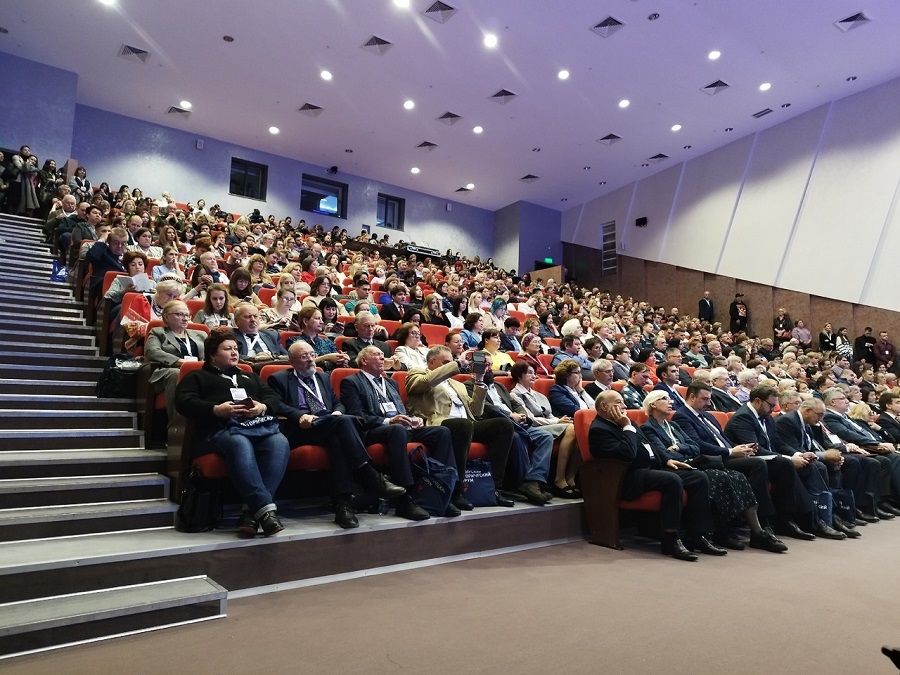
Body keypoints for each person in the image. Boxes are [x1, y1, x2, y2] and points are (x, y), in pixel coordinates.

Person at [267, 341, 407, 528]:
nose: (310, 360)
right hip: (303, 428)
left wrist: (338, 412)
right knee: (344, 424)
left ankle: (343, 505)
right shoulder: (279, 379)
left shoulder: (323, 377)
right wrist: (300, 415)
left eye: (312, 355)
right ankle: (368, 474)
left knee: (338, 439)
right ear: (292, 361)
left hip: (329, 423)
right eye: (303, 356)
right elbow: (277, 405)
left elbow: (336, 402)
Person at [174, 330, 290, 537]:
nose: (234, 352)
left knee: (279, 441)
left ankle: (251, 512)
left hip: (255, 426)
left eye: (236, 348)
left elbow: (272, 397)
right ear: (212, 354)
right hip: (217, 430)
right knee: (239, 442)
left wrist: (262, 407)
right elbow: (183, 402)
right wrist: (216, 409)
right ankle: (265, 509)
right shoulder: (197, 376)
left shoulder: (250, 376)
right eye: (227, 349)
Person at [640, 390, 780, 551]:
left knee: (737, 476)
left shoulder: (673, 425)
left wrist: (679, 447)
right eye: (664, 398)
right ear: (653, 404)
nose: (670, 401)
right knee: (718, 477)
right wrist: (683, 451)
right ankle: (719, 531)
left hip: (694, 462)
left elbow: (694, 446)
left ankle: (758, 530)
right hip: (677, 467)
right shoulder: (648, 428)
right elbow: (664, 453)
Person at [589, 390, 718, 561]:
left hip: (650, 469)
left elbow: (649, 445)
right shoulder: (599, 429)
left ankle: (697, 535)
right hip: (626, 477)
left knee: (698, 477)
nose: (624, 406)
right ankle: (671, 539)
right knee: (672, 480)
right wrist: (627, 426)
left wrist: (667, 460)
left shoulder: (628, 423)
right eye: (618, 402)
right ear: (604, 406)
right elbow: (627, 454)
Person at [339, 345, 461, 520]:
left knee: (441, 432)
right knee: (397, 430)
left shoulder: (391, 383)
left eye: (383, 354)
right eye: (377, 355)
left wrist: (414, 418)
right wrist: (389, 421)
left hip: (400, 427)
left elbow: (401, 410)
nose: (383, 357)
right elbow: (357, 416)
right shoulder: (351, 382)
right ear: (364, 361)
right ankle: (405, 499)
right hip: (372, 430)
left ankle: (441, 492)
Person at [672, 382, 790, 552]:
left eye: (709, 399)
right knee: (758, 464)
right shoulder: (682, 416)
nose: (708, 403)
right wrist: (730, 452)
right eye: (705, 399)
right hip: (709, 459)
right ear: (691, 397)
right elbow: (698, 444)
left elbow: (724, 441)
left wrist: (741, 449)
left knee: (757, 465)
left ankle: (762, 527)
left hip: (725, 456)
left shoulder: (708, 416)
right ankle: (763, 523)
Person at [405, 345, 516, 510]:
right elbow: (426, 382)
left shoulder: (458, 385)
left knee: (504, 425)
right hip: (440, 423)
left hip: (466, 424)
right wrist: (457, 363)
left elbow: (476, 412)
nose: (451, 366)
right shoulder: (417, 374)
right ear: (431, 362)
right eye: (446, 362)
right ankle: (457, 489)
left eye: (452, 362)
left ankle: (494, 487)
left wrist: (479, 380)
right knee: (463, 425)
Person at [724, 384, 824, 540]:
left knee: (809, 465)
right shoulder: (742, 418)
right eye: (771, 405)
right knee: (785, 464)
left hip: (769, 460)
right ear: (758, 401)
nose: (773, 409)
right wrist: (789, 459)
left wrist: (798, 454)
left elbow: (778, 443)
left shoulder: (767, 417)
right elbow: (755, 449)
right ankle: (794, 520)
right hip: (747, 462)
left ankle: (811, 516)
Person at [774, 396, 861, 537]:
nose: (821, 419)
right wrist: (820, 456)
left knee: (833, 463)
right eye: (819, 414)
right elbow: (787, 447)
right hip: (786, 460)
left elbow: (810, 446)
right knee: (818, 466)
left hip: (800, 456)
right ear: (808, 411)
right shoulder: (787, 421)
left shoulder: (806, 422)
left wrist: (827, 456)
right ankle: (820, 518)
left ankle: (831, 513)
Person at [467, 368, 555, 505]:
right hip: (496, 424)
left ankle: (533, 480)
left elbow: (515, 404)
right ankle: (523, 482)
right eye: (485, 365)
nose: (488, 369)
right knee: (516, 437)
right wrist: (510, 415)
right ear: (474, 370)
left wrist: (521, 414)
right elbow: (486, 407)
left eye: (490, 365)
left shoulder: (499, 386)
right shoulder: (468, 385)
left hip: (517, 423)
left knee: (546, 436)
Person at [509, 361, 581, 498]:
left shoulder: (539, 395)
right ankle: (559, 479)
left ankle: (570, 478)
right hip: (534, 426)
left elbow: (550, 415)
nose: (534, 376)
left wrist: (557, 420)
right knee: (572, 428)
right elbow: (529, 419)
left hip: (549, 424)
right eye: (529, 373)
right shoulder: (515, 394)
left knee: (579, 430)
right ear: (519, 376)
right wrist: (557, 421)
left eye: (534, 373)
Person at [145, 300, 207, 426]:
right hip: (168, 372)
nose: (185, 319)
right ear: (166, 317)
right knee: (176, 373)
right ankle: (176, 426)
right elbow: (152, 351)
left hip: (198, 371)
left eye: (187, 315)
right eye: (180, 314)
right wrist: (180, 362)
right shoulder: (158, 332)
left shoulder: (201, 335)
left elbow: (213, 353)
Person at [286, 306, 348, 371]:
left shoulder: (328, 342)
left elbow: (337, 360)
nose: (321, 322)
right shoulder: (295, 342)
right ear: (305, 321)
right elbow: (300, 363)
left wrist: (343, 359)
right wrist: (327, 357)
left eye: (321, 319)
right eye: (318, 318)